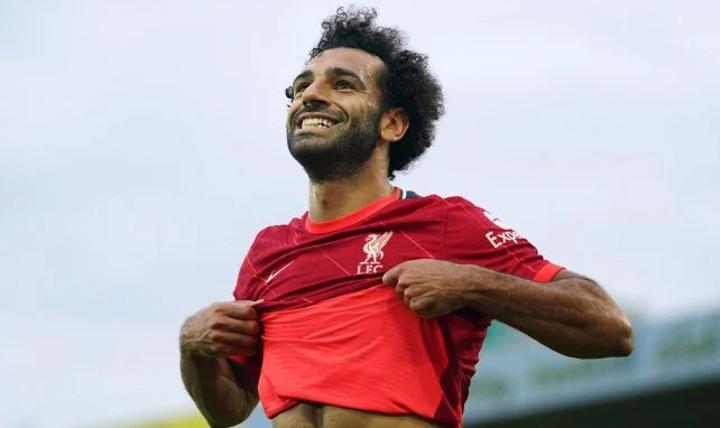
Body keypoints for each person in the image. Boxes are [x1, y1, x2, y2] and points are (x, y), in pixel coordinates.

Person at [179, 7, 633, 428]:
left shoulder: (444, 223)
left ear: (392, 124)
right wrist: (193, 349)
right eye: (300, 88)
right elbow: (230, 409)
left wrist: (470, 283)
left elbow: (609, 328)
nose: (310, 96)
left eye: (343, 85)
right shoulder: (267, 253)